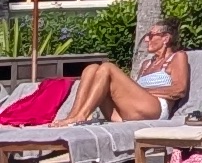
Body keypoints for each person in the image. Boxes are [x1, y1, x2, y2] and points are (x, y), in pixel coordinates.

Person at [58, 22, 194, 126]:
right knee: (91, 68)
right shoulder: (146, 64)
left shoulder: (178, 57)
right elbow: (132, 93)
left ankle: (82, 115)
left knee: (107, 67)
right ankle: (73, 115)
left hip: (155, 110)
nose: (146, 39)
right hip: (128, 112)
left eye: (151, 35)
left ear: (166, 38)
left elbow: (179, 90)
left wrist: (144, 92)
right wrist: (138, 91)